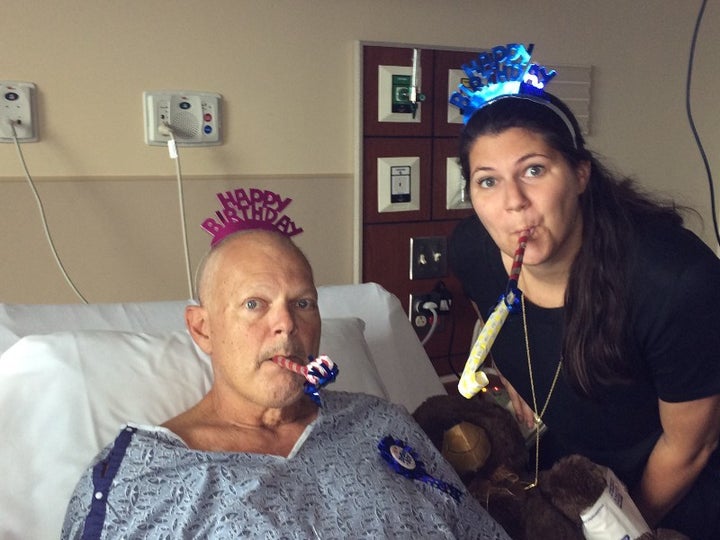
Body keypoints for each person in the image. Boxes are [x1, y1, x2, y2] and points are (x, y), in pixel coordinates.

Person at [62, 228, 510, 539]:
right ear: (202, 329)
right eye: (254, 303)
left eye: (303, 303)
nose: (286, 324)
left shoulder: (381, 425)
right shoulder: (138, 482)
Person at [448, 56, 720, 538]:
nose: (512, 201)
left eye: (533, 170)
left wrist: (615, 528)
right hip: (567, 476)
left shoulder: (674, 280)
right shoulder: (472, 250)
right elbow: (498, 325)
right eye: (487, 180)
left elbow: (690, 447)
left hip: (673, 490)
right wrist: (517, 386)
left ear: (579, 175)